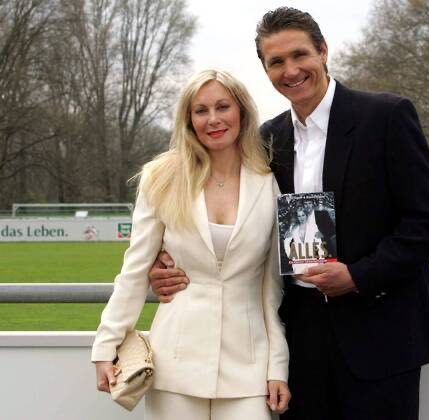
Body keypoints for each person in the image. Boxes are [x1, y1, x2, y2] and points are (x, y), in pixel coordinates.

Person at [149, 7, 429, 419]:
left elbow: (428, 222)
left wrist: (358, 275)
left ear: (323, 51)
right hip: (301, 343)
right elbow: (235, 223)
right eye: (277, 62)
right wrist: (164, 262)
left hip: (381, 335)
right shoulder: (266, 140)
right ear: (266, 70)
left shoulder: (386, 117)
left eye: (299, 55)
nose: (290, 70)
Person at [91, 69, 290, 420]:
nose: (213, 119)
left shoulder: (268, 182)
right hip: (175, 362)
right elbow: (134, 271)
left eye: (222, 107)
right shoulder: (162, 178)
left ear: (241, 112)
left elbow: (270, 288)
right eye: (201, 110)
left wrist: (278, 366)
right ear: (189, 120)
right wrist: (105, 346)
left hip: (249, 367)